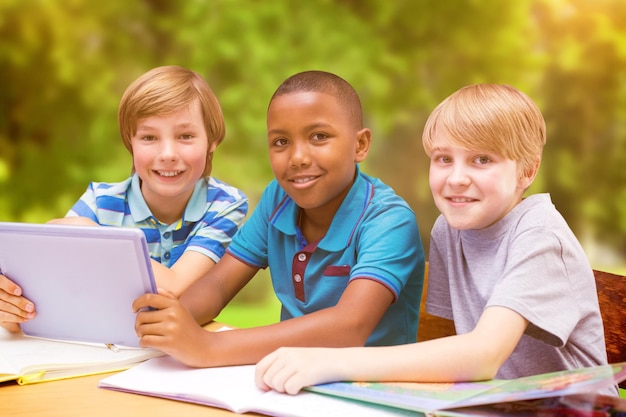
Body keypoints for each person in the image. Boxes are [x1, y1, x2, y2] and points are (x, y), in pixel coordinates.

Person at [254, 83, 617, 397]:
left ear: (527, 170)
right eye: (443, 158)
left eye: (481, 160)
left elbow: (481, 354)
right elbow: (451, 345)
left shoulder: (540, 236)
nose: (456, 178)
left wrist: (328, 360)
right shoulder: (449, 229)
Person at [131, 70, 425, 367]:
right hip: (288, 381)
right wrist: (168, 323)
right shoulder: (279, 199)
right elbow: (219, 284)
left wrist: (209, 346)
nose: (297, 157)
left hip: (368, 390)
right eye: (281, 142)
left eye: (318, 136)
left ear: (360, 145)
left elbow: (348, 327)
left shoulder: (389, 220)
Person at [0, 65, 248, 331]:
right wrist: (13, 311)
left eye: (185, 136)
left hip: (181, 350)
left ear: (211, 141)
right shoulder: (100, 201)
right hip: (109, 345)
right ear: (131, 143)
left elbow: (176, 286)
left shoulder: (224, 204)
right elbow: (51, 297)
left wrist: (94, 237)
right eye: (149, 137)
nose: (167, 153)